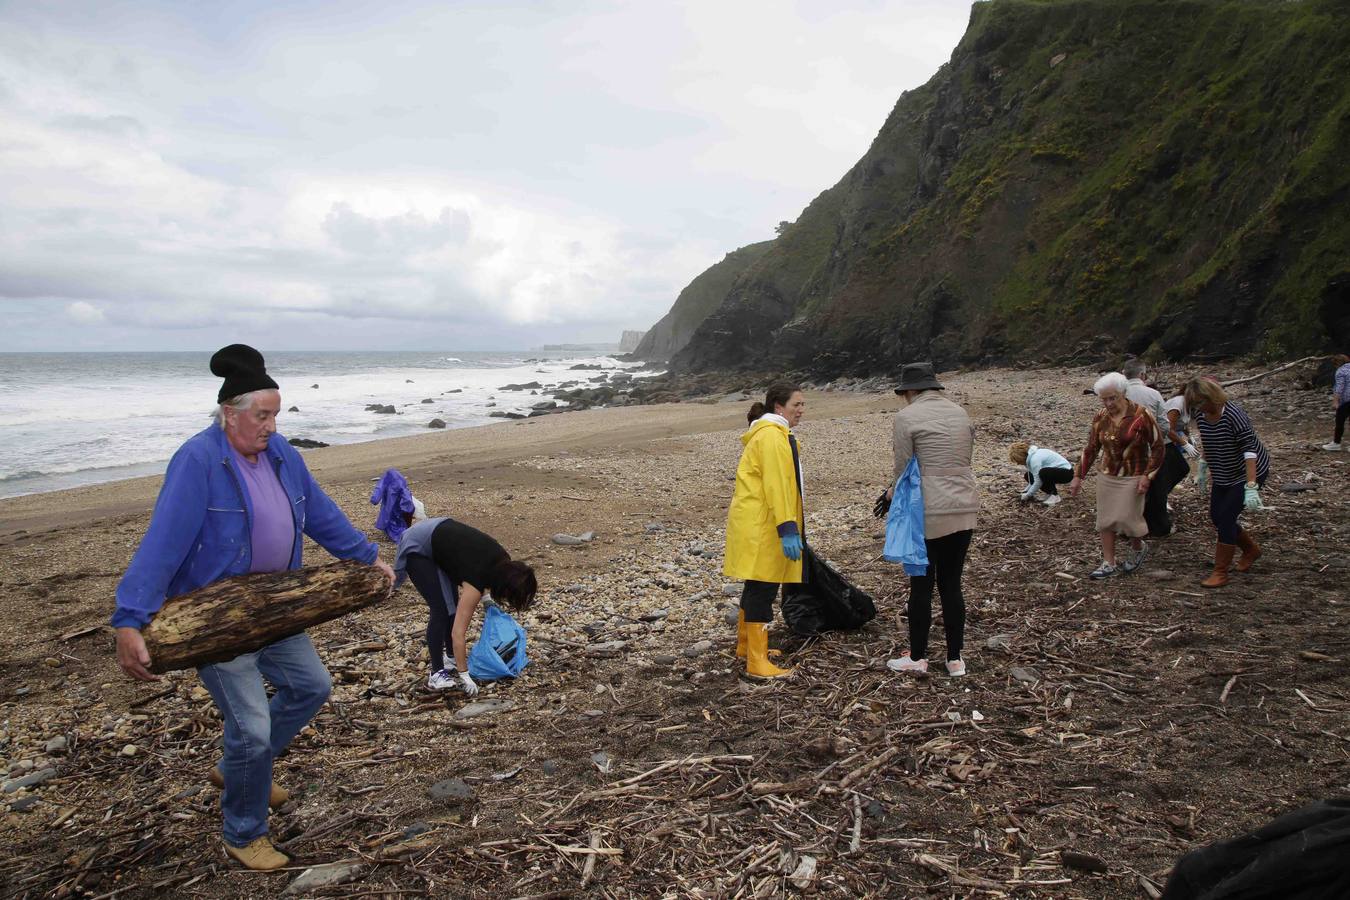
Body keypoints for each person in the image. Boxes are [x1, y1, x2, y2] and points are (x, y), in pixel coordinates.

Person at [112, 344, 395, 872]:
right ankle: (243, 833)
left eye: (275, 415)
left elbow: (320, 512)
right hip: (220, 620)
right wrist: (131, 617)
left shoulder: (282, 453)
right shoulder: (198, 460)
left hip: (277, 609)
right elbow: (164, 541)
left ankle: (242, 770)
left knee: (312, 687)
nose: (270, 426)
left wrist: (365, 557)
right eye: (261, 416)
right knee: (252, 730)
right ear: (229, 413)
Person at [884, 362, 979, 678]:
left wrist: (888, 496)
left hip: (928, 511)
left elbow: (903, 470)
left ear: (909, 390)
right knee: (952, 584)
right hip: (965, 504)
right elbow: (964, 459)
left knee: (921, 585)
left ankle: (918, 656)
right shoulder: (960, 413)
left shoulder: (906, 417)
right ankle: (955, 660)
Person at [393, 516, 537, 692]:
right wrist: (464, 674)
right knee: (441, 609)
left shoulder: (504, 561)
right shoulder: (474, 584)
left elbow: (481, 566)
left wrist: (487, 601)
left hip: (439, 535)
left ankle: (451, 658)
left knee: (450, 605)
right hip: (419, 545)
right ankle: (436, 674)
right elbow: (458, 634)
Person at [723, 382, 806, 679]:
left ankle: (747, 648)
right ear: (778, 407)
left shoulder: (771, 433)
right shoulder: (772, 436)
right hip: (764, 524)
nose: (801, 410)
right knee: (764, 585)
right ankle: (757, 661)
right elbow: (777, 484)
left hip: (755, 520)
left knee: (756, 583)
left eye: (803, 404)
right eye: (796, 404)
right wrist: (787, 527)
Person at [1069, 372, 1164, 579]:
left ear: (1123, 394)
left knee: (1128, 520)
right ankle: (1108, 562)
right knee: (1106, 520)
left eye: (1113, 398)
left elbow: (1157, 447)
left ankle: (1138, 548)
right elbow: (1091, 449)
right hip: (1108, 474)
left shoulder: (1141, 415)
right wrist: (1078, 476)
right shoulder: (1101, 417)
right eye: (1104, 398)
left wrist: (1148, 475)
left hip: (1134, 473)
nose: (1109, 403)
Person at [1185, 377, 1270, 588]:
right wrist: (1204, 465)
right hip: (1223, 470)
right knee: (1216, 516)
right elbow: (1208, 439)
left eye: (1200, 402)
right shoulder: (1202, 415)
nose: (1198, 408)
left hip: (1247, 471)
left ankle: (1220, 571)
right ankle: (1251, 550)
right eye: (1195, 404)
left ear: (1211, 397)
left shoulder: (1234, 415)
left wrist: (1251, 487)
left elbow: (1249, 452)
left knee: (1226, 518)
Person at [1009, 441, 1073, 506]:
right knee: (1028, 475)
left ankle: (1055, 496)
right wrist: (1025, 491)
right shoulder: (1030, 457)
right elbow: (1033, 478)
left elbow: (1038, 481)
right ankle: (1049, 494)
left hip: (1066, 473)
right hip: (1055, 471)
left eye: (1018, 460)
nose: (1018, 463)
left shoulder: (1035, 459)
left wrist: (1028, 495)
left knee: (1043, 473)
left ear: (1022, 456)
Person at [1323, 353, 1350, 451]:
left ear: (1337, 363)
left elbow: (1339, 387)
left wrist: (1335, 401)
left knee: (1340, 422)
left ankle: (1336, 443)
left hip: (1346, 400)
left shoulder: (1341, 371)